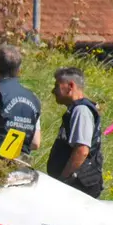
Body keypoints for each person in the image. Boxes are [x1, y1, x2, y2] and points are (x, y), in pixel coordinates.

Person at [47, 67, 104, 198]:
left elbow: (82, 150)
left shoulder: (81, 111)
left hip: (78, 186)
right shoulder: (79, 109)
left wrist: (63, 180)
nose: (53, 91)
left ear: (70, 86)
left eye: (57, 86)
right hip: (79, 184)